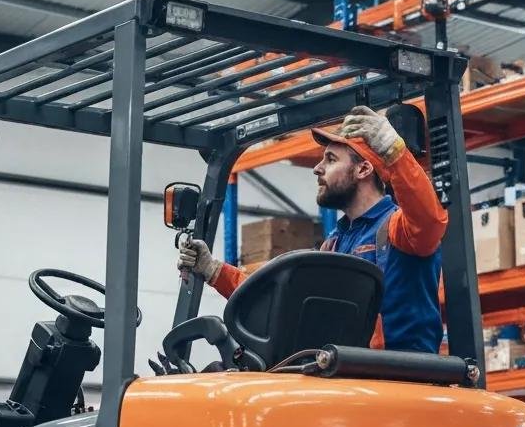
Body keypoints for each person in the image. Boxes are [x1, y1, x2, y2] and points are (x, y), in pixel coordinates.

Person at [178, 106, 448, 352]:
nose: (317, 168)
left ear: (363, 169)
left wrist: (393, 152)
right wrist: (214, 271)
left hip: (399, 381)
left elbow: (430, 221)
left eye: (330, 159)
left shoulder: (398, 229)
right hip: (351, 377)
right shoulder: (335, 243)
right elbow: (280, 293)